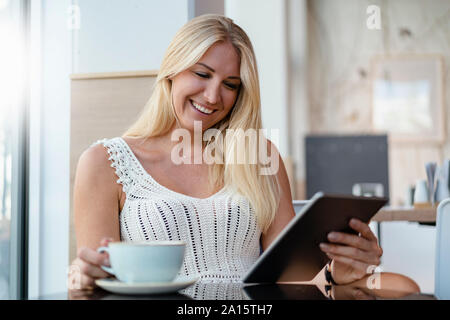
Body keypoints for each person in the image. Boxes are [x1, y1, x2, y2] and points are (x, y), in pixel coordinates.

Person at [69, 14, 382, 290]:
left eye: (230, 84)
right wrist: (81, 280)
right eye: (202, 74)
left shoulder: (261, 158)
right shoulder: (104, 162)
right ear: (172, 70)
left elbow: (291, 279)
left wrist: (338, 274)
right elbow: (96, 280)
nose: (212, 96)